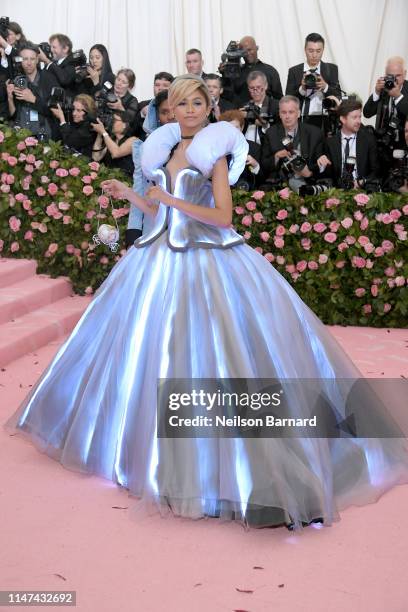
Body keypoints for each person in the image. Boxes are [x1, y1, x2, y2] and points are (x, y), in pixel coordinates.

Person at [6, 75, 408, 531]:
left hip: (209, 259)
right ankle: (141, 455)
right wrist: (135, 196)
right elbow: (160, 211)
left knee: (211, 355)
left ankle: (225, 468)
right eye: (183, 103)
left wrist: (171, 199)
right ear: (170, 110)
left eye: (199, 102)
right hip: (157, 259)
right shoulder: (164, 150)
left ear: (208, 107)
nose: (191, 109)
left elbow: (223, 216)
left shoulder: (213, 153)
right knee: (147, 355)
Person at [261, 95, 324, 191]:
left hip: (307, 184)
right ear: (279, 114)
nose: (287, 116)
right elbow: (264, 165)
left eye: (291, 112)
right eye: (284, 112)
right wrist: (276, 157)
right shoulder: (271, 133)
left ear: (298, 113)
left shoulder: (315, 133)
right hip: (278, 186)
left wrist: (309, 173)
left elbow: (319, 165)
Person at [286, 32, 342, 131]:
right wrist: (302, 89)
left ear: (323, 50)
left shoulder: (331, 69)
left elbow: (338, 97)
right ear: (305, 50)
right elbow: (287, 100)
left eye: (318, 51)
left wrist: (325, 87)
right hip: (300, 119)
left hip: (324, 121)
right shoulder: (294, 71)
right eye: (311, 51)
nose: (314, 55)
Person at [318, 99, 379, 188]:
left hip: (362, 188)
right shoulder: (331, 142)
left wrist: (361, 182)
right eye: (354, 117)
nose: (358, 121)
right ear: (343, 119)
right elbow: (329, 175)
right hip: (338, 190)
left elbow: (376, 171)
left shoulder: (368, 140)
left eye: (359, 117)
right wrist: (322, 165)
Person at [6, 42, 59, 140]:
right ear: (20, 60)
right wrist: (9, 98)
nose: (29, 63)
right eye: (25, 59)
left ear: (37, 60)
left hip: (43, 137)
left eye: (32, 59)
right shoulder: (18, 80)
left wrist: (33, 99)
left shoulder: (48, 79)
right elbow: (13, 115)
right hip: (20, 136)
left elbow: (56, 112)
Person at [221, 36, 282, 107]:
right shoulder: (235, 72)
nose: (247, 53)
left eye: (250, 50)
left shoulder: (270, 71)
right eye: (244, 52)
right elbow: (228, 96)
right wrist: (225, 75)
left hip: (266, 113)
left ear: (257, 48)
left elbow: (279, 98)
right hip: (241, 113)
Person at [91, 111, 137, 176]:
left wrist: (103, 132)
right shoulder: (110, 140)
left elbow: (116, 153)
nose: (111, 122)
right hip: (108, 179)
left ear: (124, 125)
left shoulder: (133, 140)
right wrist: (99, 134)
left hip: (125, 181)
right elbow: (96, 157)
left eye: (114, 120)